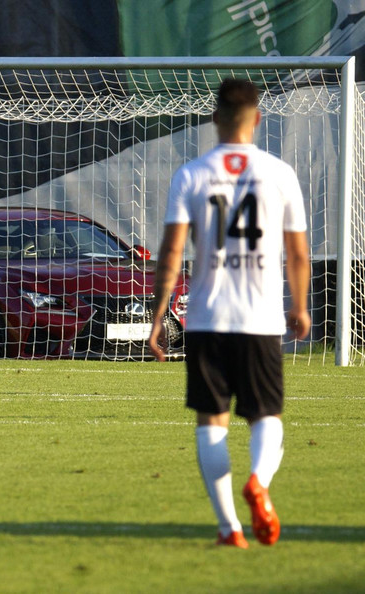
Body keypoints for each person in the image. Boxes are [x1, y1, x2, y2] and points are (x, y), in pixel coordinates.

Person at [148, 78, 310, 548]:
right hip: (259, 319)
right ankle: (258, 481)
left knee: (211, 420)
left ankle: (229, 529)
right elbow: (298, 256)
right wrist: (298, 306)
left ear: (215, 118)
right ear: (257, 119)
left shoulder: (192, 174)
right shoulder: (280, 174)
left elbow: (172, 252)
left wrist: (160, 316)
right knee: (266, 417)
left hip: (206, 319)